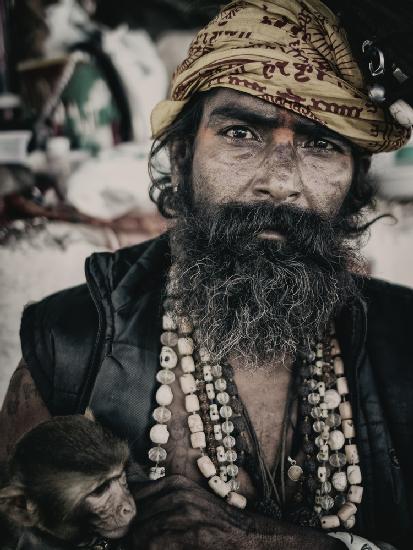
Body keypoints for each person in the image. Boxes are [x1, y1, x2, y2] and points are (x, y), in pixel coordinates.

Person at [1, 1, 412, 549]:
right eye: (242, 133)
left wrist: (260, 540)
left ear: (356, 179)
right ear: (181, 153)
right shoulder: (70, 347)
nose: (280, 182)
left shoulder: (405, 340)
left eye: (322, 143)